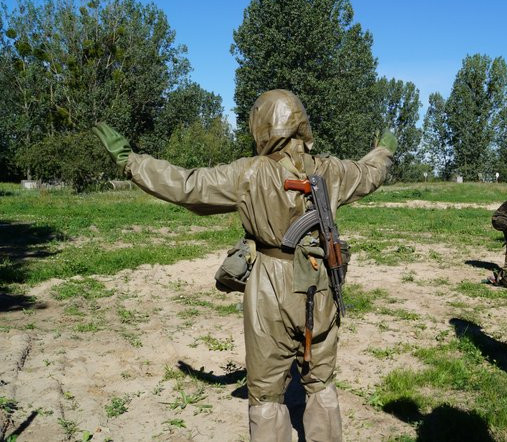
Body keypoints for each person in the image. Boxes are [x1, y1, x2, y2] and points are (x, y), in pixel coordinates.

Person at [93, 89, 396, 442]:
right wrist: (384, 149)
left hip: (270, 282)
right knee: (321, 381)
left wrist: (131, 161)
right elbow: (371, 172)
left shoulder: (248, 174)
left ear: (262, 126)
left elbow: (186, 184)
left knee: (267, 392)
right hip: (320, 279)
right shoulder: (332, 170)